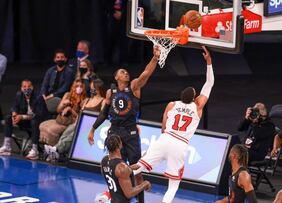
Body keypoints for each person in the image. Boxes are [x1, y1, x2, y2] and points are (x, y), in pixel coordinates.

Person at [130, 46, 214, 203]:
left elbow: (163, 127)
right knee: (173, 185)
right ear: (194, 97)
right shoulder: (197, 107)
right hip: (180, 144)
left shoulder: (171, 104)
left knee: (139, 167)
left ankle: (114, 183)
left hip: (165, 138)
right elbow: (209, 83)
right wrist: (208, 62)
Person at [88, 45, 160, 164]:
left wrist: (154, 58)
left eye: (127, 72)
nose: (126, 73)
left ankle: (136, 183)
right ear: (116, 77)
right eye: (122, 72)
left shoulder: (134, 87)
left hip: (130, 132)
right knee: (116, 166)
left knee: (135, 169)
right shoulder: (110, 92)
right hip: (114, 131)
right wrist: (92, 129)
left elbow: (146, 73)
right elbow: (104, 113)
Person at [45, 79, 106, 161]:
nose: (91, 89)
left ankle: (56, 149)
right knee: (68, 131)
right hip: (80, 123)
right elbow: (80, 114)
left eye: (93, 87)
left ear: (98, 88)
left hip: (90, 126)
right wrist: (77, 121)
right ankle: (56, 151)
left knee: (73, 134)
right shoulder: (87, 100)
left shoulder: (103, 101)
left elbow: (102, 116)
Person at [0, 79, 40, 160]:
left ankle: (35, 150)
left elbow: (38, 115)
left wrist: (21, 117)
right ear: (21, 88)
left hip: (37, 120)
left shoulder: (38, 96)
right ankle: (7, 147)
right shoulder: (19, 95)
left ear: (32, 87)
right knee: (8, 118)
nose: (27, 89)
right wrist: (14, 113)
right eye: (24, 87)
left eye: (29, 86)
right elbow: (14, 107)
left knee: (34, 122)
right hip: (24, 120)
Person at [100, 134, 151, 203]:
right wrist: (144, 184)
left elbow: (114, 173)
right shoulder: (122, 167)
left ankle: (106, 195)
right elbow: (129, 194)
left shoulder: (104, 161)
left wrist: (130, 167)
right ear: (120, 145)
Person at [39, 79, 86, 146]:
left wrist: (70, 110)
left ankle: (55, 149)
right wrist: (63, 104)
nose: (79, 88)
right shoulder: (67, 95)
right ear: (73, 87)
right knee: (42, 125)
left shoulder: (84, 100)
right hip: (61, 119)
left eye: (81, 86)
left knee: (51, 130)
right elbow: (58, 110)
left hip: (72, 122)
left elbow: (81, 117)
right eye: (77, 86)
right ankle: (46, 148)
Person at [36, 49, 75, 122]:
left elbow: (65, 88)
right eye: (58, 57)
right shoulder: (50, 70)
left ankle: (46, 120)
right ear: (54, 59)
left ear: (65, 59)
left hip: (61, 96)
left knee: (49, 104)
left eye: (62, 57)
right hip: (48, 95)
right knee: (39, 99)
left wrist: (53, 95)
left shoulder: (69, 72)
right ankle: (39, 120)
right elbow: (44, 84)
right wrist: (44, 94)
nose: (60, 59)